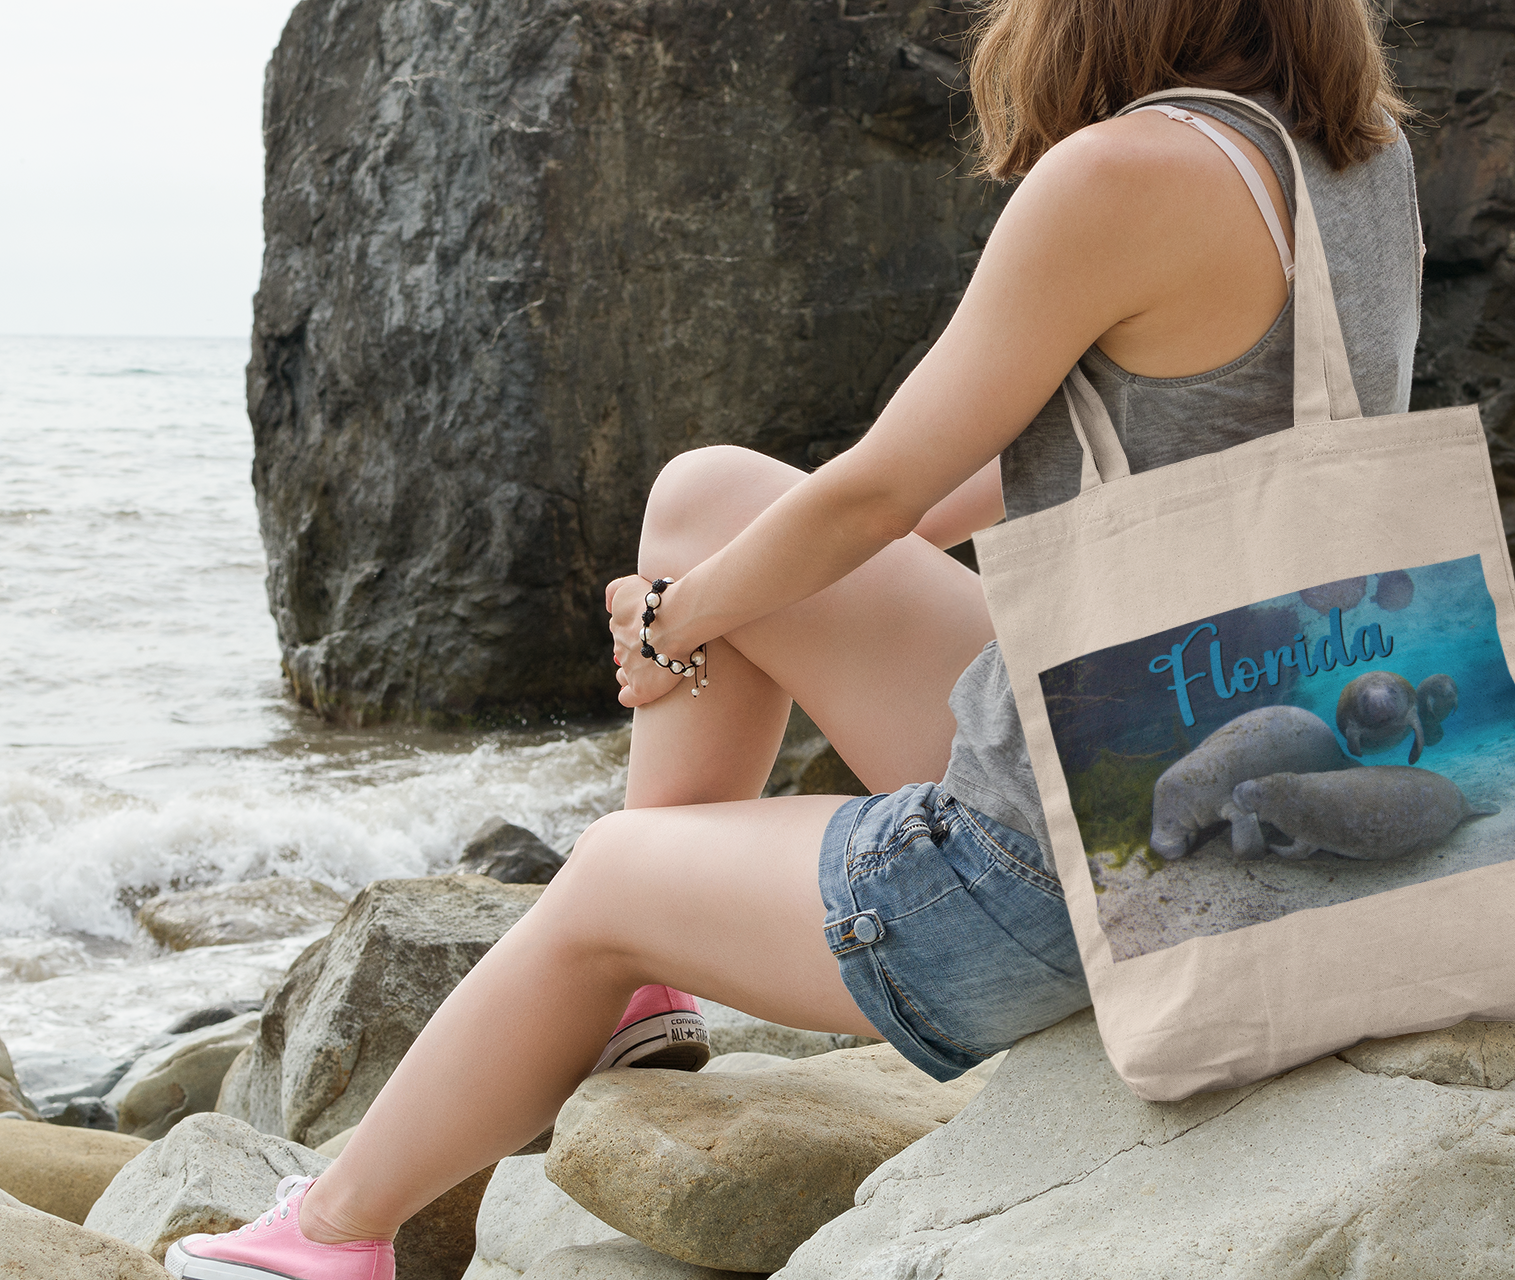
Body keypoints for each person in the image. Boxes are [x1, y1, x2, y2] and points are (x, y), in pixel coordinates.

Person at [164, 0, 1416, 1275]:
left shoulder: (1119, 170)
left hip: (1093, 867)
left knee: (604, 866)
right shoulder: (1356, 164)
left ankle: (330, 1236)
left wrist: (677, 619)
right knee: (709, 494)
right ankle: (641, 988)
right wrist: (779, 580)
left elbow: (875, 490)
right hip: (1239, 765)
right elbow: (1049, 447)